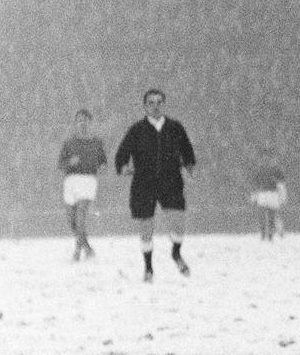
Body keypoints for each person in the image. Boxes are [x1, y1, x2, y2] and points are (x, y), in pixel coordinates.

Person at [115, 88, 197, 283]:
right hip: (144, 182)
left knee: (178, 224)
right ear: (145, 106)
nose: (155, 106)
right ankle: (149, 267)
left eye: (159, 102)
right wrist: (124, 167)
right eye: (151, 102)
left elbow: (188, 154)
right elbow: (121, 155)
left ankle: (176, 254)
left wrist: (188, 169)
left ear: (164, 104)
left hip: (171, 181)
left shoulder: (175, 128)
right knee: (146, 227)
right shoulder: (136, 130)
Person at [58, 109, 107, 261]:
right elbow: (60, 164)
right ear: (75, 123)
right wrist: (69, 163)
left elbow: (103, 162)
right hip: (71, 181)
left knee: (80, 217)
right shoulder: (69, 143)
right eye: (79, 120)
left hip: (88, 181)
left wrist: (101, 167)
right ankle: (87, 247)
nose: (82, 123)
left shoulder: (97, 142)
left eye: (85, 120)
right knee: (71, 220)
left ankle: (77, 251)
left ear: (90, 123)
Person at [249, 150, 287, 241]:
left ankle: (269, 235)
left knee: (270, 217)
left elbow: (281, 185)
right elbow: (256, 185)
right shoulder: (263, 170)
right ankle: (264, 235)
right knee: (264, 216)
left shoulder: (275, 170)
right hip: (264, 194)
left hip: (272, 195)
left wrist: (282, 197)